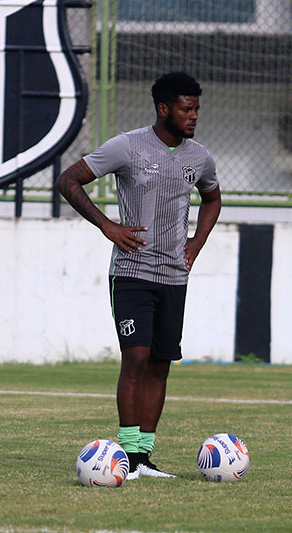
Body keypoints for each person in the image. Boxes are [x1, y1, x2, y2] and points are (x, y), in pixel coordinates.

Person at [55, 72, 221, 479]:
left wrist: (196, 243)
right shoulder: (127, 147)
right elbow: (69, 180)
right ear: (163, 109)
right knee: (137, 357)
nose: (194, 116)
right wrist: (107, 225)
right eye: (186, 108)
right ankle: (126, 455)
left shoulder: (199, 157)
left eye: (197, 108)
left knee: (161, 363)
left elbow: (212, 198)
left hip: (174, 276)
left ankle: (144, 458)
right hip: (131, 272)